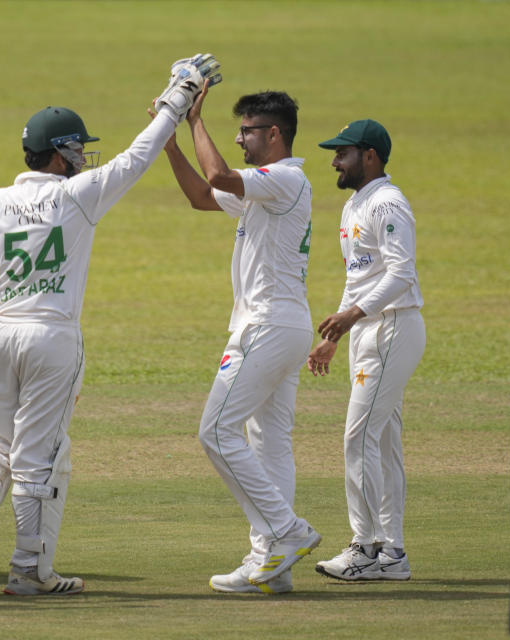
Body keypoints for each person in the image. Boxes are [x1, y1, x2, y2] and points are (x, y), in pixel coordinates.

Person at [0, 56, 218, 596]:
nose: (84, 158)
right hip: (54, 339)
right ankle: (28, 572)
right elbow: (139, 156)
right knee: (40, 459)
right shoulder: (76, 197)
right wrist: (178, 96)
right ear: (59, 154)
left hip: (4, 332)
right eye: (78, 149)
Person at [160, 85, 319, 595]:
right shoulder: (264, 188)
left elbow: (219, 175)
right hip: (283, 325)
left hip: (267, 326)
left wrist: (193, 120)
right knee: (268, 444)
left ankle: (287, 532)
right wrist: (169, 143)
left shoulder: (285, 179)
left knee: (216, 432)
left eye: (248, 130)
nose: (240, 138)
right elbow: (203, 197)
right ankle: (270, 563)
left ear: (274, 134)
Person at [309, 119, 424, 581]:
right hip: (369, 331)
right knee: (383, 441)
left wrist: (353, 316)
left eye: (343, 153)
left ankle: (365, 547)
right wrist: (333, 337)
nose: (334, 160)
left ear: (370, 156)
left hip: (393, 327)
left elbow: (402, 273)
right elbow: (359, 277)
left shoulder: (389, 203)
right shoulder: (354, 204)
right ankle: (392, 553)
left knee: (358, 438)